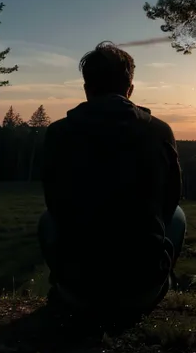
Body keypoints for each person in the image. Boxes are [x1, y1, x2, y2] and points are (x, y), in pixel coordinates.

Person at [38, 41, 186, 318]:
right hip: (141, 293)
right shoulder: (160, 132)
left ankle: (62, 286)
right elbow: (170, 201)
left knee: (47, 219)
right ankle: (158, 279)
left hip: (78, 292)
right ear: (129, 89)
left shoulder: (58, 133)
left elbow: (55, 204)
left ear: (86, 88)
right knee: (177, 215)